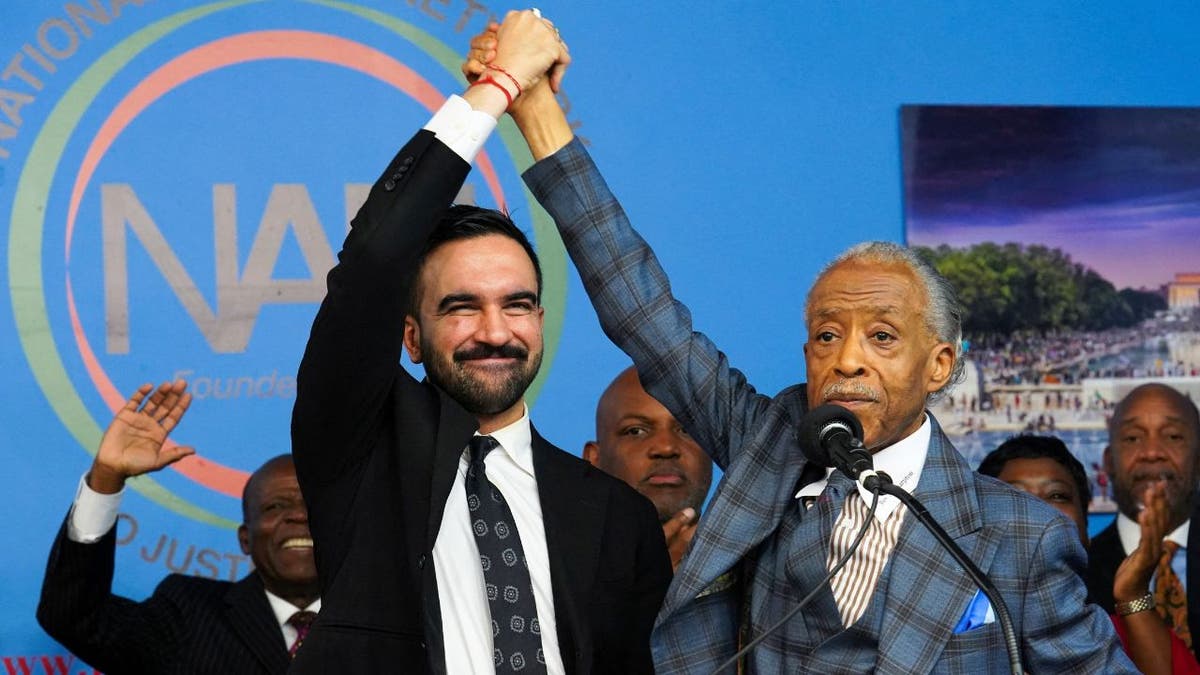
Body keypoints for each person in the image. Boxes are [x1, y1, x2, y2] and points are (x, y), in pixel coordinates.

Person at [463, 26, 1135, 672]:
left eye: (881, 336)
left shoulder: (1019, 535)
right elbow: (643, 310)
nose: (846, 359)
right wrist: (536, 106)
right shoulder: (768, 445)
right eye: (825, 335)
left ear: (940, 364)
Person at [289, 12, 670, 674]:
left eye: (517, 304)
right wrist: (497, 88)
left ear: (542, 321)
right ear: (411, 335)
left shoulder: (617, 517)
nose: (495, 332)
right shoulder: (357, 452)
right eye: (461, 307)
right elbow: (375, 261)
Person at [37, 380, 319, 674]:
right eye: (275, 506)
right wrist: (106, 476)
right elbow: (74, 617)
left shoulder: (371, 617)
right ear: (245, 539)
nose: (298, 517)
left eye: (314, 508)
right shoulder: (189, 613)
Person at [978, 434, 1200, 674]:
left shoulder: (1129, 633)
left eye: (1056, 496)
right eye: (1016, 497)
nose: (1039, 514)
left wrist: (1132, 594)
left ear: (1086, 532)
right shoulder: (946, 637)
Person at [1088, 383, 1200, 659]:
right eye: (1132, 439)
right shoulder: (1074, 575)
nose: (1152, 452)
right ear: (1108, 461)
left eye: (1173, 437)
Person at [584, 366, 713, 570]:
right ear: (594, 460)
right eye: (636, 431)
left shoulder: (766, 569)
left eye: (687, 430)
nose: (666, 447)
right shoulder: (553, 566)